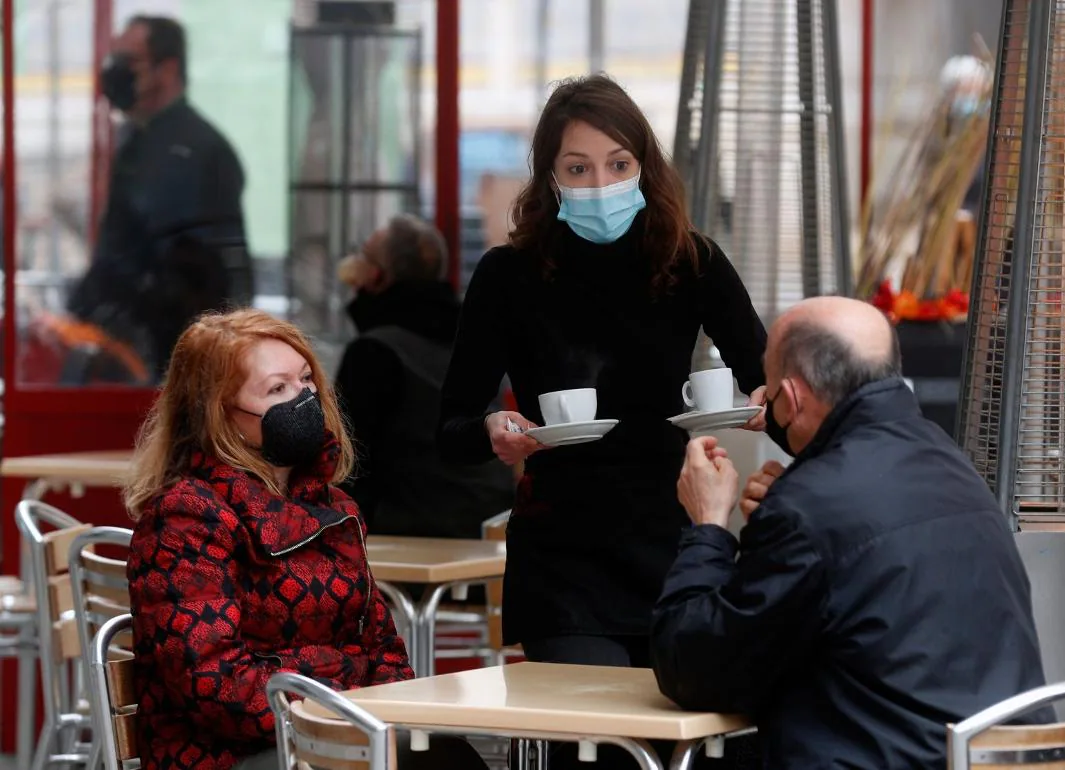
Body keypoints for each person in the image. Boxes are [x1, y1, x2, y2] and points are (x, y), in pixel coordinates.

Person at [437, 74, 768, 765]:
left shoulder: (691, 261)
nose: (601, 182)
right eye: (578, 167)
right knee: (598, 754)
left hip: (674, 546)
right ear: (549, 176)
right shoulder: (509, 275)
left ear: (645, 165)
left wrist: (763, 408)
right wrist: (493, 433)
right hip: (565, 558)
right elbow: (451, 429)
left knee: (707, 746)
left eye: (619, 164)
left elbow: (766, 375)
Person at [652, 296, 1052, 769]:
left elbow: (695, 671)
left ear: (794, 398)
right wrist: (795, 506)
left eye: (773, 401)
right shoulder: (949, 462)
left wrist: (709, 526)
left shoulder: (810, 506)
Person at [125, 309, 486, 770]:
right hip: (233, 755)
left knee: (447, 757)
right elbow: (214, 683)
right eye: (277, 388)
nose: (303, 398)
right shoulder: (186, 515)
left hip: (338, 733)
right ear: (222, 415)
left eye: (306, 380)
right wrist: (344, 702)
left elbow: (384, 650)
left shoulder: (334, 508)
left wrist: (363, 707)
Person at [69, 15, 253, 382]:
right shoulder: (135, 140)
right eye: (113, 59)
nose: (114, 71)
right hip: (127, 350)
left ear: (167, 69)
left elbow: (202, 276)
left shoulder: (196, 149)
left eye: (128, 60)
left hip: (169, 363)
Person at [336, 214, 514, 538]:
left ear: (378, 276)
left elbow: (346, 462)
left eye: (363, 256)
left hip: (409, 534)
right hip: (490, 522)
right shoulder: (476, 335)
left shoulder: (374, 352)